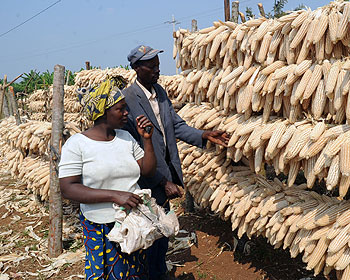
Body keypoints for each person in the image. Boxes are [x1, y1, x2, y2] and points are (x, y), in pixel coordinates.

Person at [122, 45, 230, 280]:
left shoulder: (159, 93)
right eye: (151, 66)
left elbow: (176, 125)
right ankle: (152, 274)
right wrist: (161, 181)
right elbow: (131, 150)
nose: (157, 70)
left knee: (160, 230)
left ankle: (158, 272)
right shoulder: (128, 99)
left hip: (165, 172)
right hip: (146, 179)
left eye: (157, 65)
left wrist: (203, 134)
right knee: (148, 232)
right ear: (137, 68)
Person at [58, 76, 156, 280]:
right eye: (120, 109)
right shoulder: (77, 144)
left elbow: (147, 170)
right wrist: (114, 196)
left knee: (135, 272)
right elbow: (68, 188)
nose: (126, 113)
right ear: (103, 112)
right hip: (101, 224)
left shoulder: (125, 137)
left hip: (132, 221)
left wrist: (147, 141)